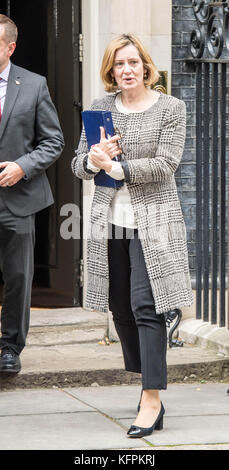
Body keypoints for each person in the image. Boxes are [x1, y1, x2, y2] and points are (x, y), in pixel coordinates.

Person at [72, 33, 193, 438]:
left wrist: (120, 167)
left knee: (146, 304)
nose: (126, 70)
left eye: (133, 63)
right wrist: (93, 159)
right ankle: (149, 375)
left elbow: (167, 163)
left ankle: (152, 399)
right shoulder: (101, 108)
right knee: (120, 306)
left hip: (155, 217)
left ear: (146, 66)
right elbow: (79, 166)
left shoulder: (171, 108)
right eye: (118, 65)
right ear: (111, 71)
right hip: (110, 218)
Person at [0, 15, 64, 373]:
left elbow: (54, 141)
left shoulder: (35, 85)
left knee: (18, 277)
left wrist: (22, 166)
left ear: (10, 47)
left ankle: (10, 348)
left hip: (19, 199)